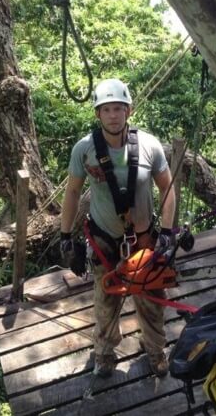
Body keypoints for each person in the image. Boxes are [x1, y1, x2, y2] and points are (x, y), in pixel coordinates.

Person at [60, 78, 176, 378]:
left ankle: (154, 349)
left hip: (143, 237)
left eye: (119, 109)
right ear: (98, 114)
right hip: (104, 238)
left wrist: (165, 230)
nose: (113, 115)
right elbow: (72, 193)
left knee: (150, 295)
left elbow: (167, 189)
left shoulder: (149, 146)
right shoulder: (84, 149)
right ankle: (104, 353)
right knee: (106, 297)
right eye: (107, 109)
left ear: (129, 111)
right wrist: (65, 236)